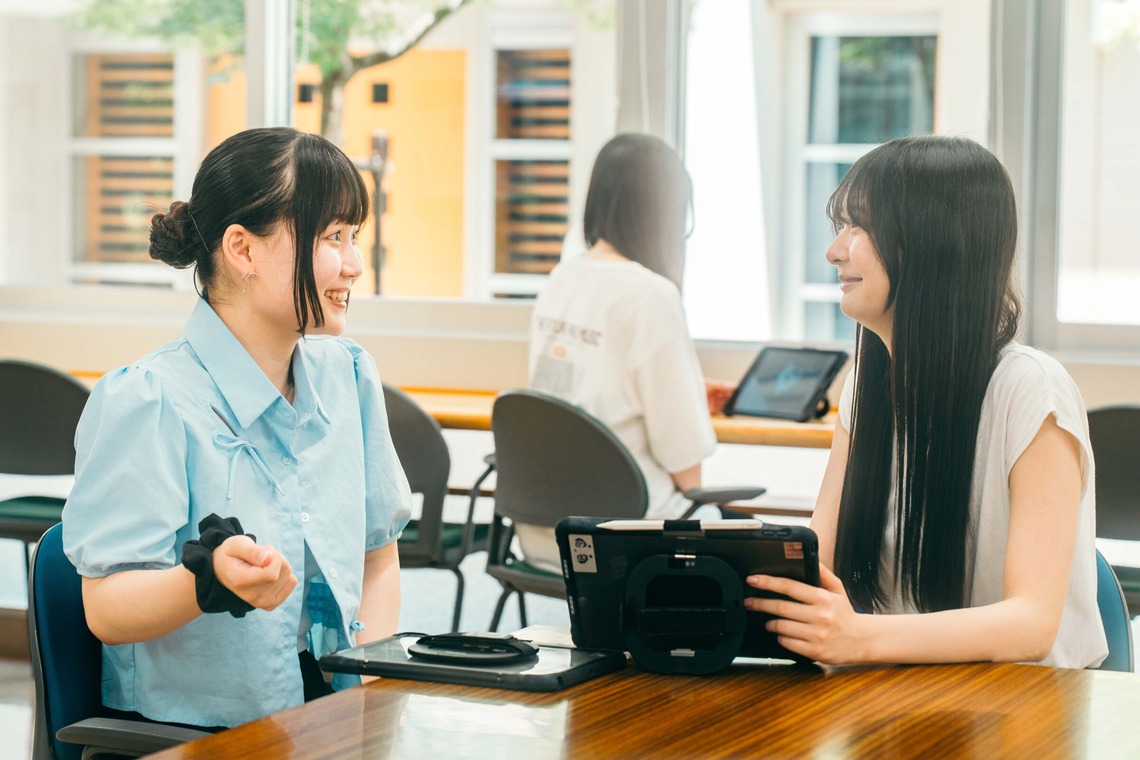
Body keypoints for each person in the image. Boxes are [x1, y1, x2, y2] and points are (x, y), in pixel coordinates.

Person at [62, 127, 412, 729]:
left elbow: (377, 556)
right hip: (192, 733)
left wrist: (370, 702)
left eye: (354, 237)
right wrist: (208, 580)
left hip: (329, 709)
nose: (354, 264)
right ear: (243, 250)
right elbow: (108, 610)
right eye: (332, 237)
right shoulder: (149, 399)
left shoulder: (349, 376)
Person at [746, 134, 1107, 669]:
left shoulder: (1031, 389)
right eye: (840, 226)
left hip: (1025, 702)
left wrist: (860, 637)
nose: (835, 251)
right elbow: (819, 562)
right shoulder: (866, 387)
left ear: (933, 243)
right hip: (899, 689)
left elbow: (1031, 624)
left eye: (859, 226)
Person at [520, 133, 717, 572]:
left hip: (544, 532)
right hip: (626, 540)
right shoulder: (651, 295)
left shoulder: (561, 280)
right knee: (728, 524)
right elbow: (687, 470)